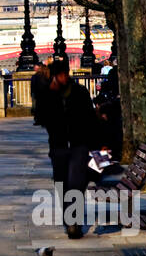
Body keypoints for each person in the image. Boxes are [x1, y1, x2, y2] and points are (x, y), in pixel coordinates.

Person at [40, 58, 107, 238]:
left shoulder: (79, 92)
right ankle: (69, 219)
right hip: (58, 146)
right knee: (62, 184)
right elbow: (42, 118)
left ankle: (74, 223)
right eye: (58, 75)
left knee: (76, 184)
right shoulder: (48, 94)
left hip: (79, 144)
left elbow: (90, 119)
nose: (62, 78)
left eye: (63, 74)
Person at [30, 60, 52, 126]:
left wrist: (32, 93)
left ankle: (39, 120)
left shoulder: (36, 76)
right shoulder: (46, 75)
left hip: (38, 94)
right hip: (44, 93)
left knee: (38, 108)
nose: (34, 67)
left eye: (35, 66)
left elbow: (34, 86)